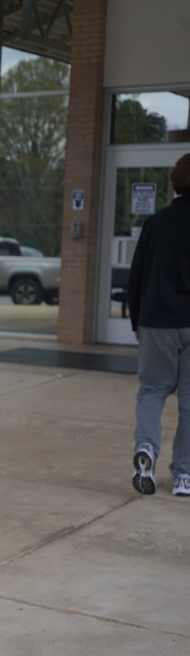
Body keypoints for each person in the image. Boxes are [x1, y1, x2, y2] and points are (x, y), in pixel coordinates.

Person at [128, 153, 190, 497]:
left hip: (157, 322)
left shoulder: (156, 223)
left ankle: (147, 450)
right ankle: (184, 476)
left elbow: (136, 276)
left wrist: (137, 320)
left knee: (152, 392)